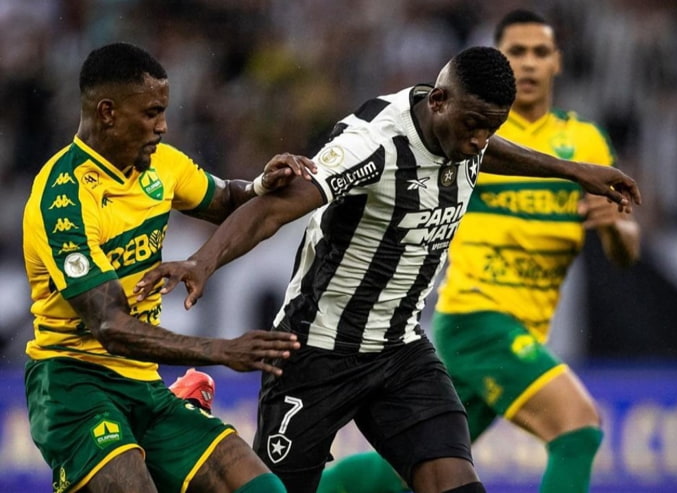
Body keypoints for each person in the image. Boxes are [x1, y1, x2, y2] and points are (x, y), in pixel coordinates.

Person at [135, 45, 641, 493]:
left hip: (400, 352)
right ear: (438, 102)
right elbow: (274, 208)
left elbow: (484, 142)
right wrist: (204, 261)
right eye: (472, 126)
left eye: (492, 129)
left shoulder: (466, 128)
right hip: (316, 350)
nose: (478, 141)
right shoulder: (372, 144)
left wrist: (573, 171)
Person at [315, 10, 641, 493]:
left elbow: (625, 250)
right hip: (476, 318)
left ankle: (329, 488)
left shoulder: (584, 141)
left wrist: (615, 229)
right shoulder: (471, 132)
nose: (528, 64)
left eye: (540, 52)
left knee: (410, 473)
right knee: (578, 428)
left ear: (558, 63)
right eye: (516, 53)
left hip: (522, 328)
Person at [22, 42, 317, 493]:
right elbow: (109, 325)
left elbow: (226, 201)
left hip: (143, 382)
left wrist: (263, 182)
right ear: (107, 112)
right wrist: (219, 351)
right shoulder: (63, 200)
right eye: (152, 113)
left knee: (262, 488)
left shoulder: (162, 164)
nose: (163, 126)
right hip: (73, 383)